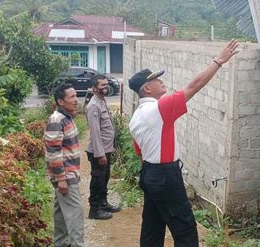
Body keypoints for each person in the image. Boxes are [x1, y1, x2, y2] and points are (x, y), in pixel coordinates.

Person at [128, 39, 240, 246]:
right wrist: (218, 61)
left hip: (149, 174)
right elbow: (194, 86)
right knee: (185, 229)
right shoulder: (159, 109)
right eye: (156, 80)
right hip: (165, 176)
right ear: (147, 89)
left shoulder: (137, 116)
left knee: (152, 228)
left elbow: (139, 151)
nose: (161, 81)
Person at [44, 83, 84, 247]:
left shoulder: (67, 117)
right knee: (75, 214)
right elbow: (53, 153)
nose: (76, 100)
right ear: (60, 101)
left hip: (68, 174)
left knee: (60, 216)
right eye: (71, 97)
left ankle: (60, 244)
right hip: (65, 176)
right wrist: (61, 178)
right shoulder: (56, 120)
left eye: (76, 96)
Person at [85, 74, 121, 220]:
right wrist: (100, 154)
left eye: (106, 84)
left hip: (106, 149)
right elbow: (95, 133)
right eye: (102, 85)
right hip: (98, 152)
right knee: (97, 180)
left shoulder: (102, 101)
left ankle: (103, 203)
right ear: (94, 88)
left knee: (105, 178)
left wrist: (112, 146)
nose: (106, 87)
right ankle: (94, 209)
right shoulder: (93, 106)